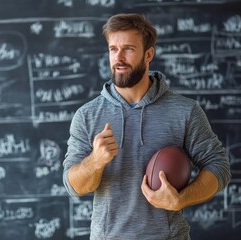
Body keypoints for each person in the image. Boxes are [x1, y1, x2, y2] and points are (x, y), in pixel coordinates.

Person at [62, 13, 231, 240]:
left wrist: (183, 198)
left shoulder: (185, 111)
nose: (119, 58)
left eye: (129, 49)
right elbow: (73, 185)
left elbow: (219, 167)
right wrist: (96, 161)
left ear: (148, 54)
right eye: (113, 49)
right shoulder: (87, 115)